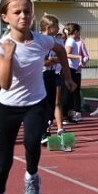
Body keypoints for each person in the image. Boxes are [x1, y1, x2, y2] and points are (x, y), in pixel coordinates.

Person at [0, 0, 76, 194]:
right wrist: (7, 56)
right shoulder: (1, 46)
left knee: (32, 141)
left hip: (35, 102)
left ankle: (32, 177)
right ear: (5, 17)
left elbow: (60, 50)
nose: (23, 16)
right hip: (8, 106)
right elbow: (4, 84)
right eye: (17, 12)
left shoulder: (42, 40)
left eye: (27, 11)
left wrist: (67, 76)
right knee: (4, 160)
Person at [38, 14, 65, 143]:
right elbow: (43, 62)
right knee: (45, 105)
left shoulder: (58, 41)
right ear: (49, 27)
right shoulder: (40, 40)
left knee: (54, 103)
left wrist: (54, 60)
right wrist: (54, 60)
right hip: (42, 75)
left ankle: (46, 130)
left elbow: (63, 58)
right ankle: (42, 132)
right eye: (56, 26)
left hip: (54, 74)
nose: (58, 28)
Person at [62, 23, 89, 123]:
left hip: (74, 68)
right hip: (70, 69)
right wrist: (78, 57)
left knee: (74, 92)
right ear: (76, 32)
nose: (79, 34)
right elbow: (66, 54)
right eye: (79, 32)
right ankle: (65, 115)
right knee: (68, 93)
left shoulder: (74, 41)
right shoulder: (70, 41)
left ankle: (72, 114)